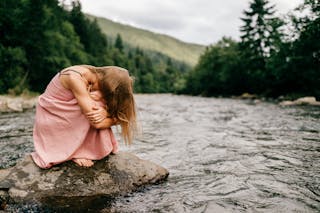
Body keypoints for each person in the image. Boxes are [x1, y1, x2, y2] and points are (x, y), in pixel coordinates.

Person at [31, 65, 137, 168]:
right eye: (106, 93)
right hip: (52, 119)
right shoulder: (74, 78)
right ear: (105, 84)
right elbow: (97, 123)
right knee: (95, 102)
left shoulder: (91, 73)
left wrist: (106, 113)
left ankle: (84, 148)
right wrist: (115, 117)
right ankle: (77, 151)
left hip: (62, 117)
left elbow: (120, 113)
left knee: (96, 100)